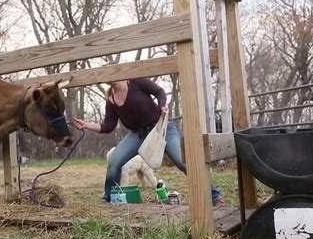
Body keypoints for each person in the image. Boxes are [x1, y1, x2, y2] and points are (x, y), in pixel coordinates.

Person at [74, 73, 226, 207]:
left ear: (116, 71)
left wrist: (162, 106)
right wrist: (87, 125)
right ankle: (108, 199)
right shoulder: (111, 99)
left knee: (183, 161)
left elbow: (159, 91)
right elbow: (108, 126)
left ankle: (215, 195)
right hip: (137, 135)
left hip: (160, 128)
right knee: (114, 161)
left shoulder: (136, 81)